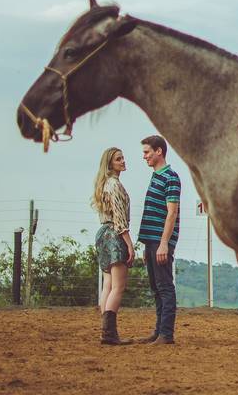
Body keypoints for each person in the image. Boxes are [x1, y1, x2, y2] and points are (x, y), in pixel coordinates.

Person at [137, 135, 181, 344]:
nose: (144, 156)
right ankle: (158, 331)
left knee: (164, 286)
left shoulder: (170, 177)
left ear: (159, 151)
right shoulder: (156, 176)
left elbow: (171, 213)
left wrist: (164, 243)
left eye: (147, 152)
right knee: (156, 287)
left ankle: (166, 334)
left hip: (160, 241)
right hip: (151, 241)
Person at [92, 147, 134, 345]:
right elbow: (119, 219)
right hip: (114, 235)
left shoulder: (104, 185)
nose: (123, 161)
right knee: (118, 286)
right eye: (119, 159)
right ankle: (109, 333)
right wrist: (130, 245)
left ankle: (106, 330)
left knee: (107, 285)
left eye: (123, 158)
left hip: (102, 233)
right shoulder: (114, 185)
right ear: (110, 164)